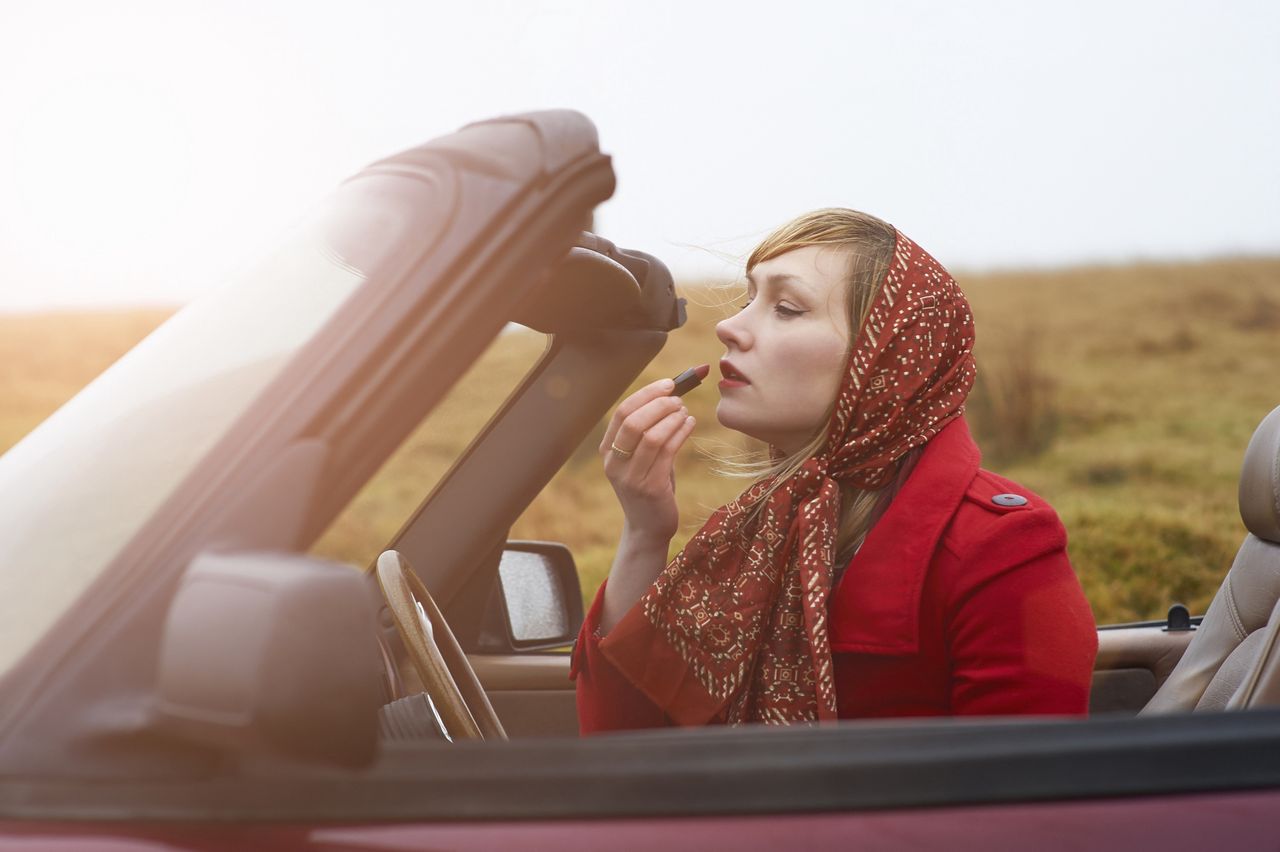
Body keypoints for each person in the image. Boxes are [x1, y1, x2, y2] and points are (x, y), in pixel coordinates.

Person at [570, 209, 1097, 731]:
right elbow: (628, 755)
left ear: (885, 357)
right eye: (749, 298)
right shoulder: (756, 533)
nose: (729, 327)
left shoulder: (1001, 549)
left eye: (787, 307)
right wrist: (644, 531)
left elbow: (1022, 800)